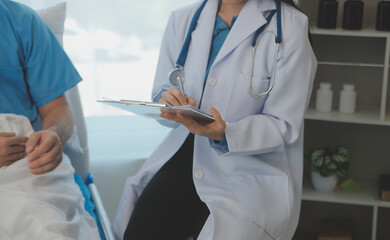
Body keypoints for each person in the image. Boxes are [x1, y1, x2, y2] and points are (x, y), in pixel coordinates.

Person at [113, 0, 317, 239]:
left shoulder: (290, 27)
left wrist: (225, 133)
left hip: (248, 165)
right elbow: (162, 90)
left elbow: (284, 124)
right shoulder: (183, 19)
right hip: (185, 154)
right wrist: (170, 102)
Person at [0, 0, 99, 239]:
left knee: (42, 226)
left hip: (25, 162)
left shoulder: (21, 22)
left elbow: (58, 108)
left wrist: (54, 133)